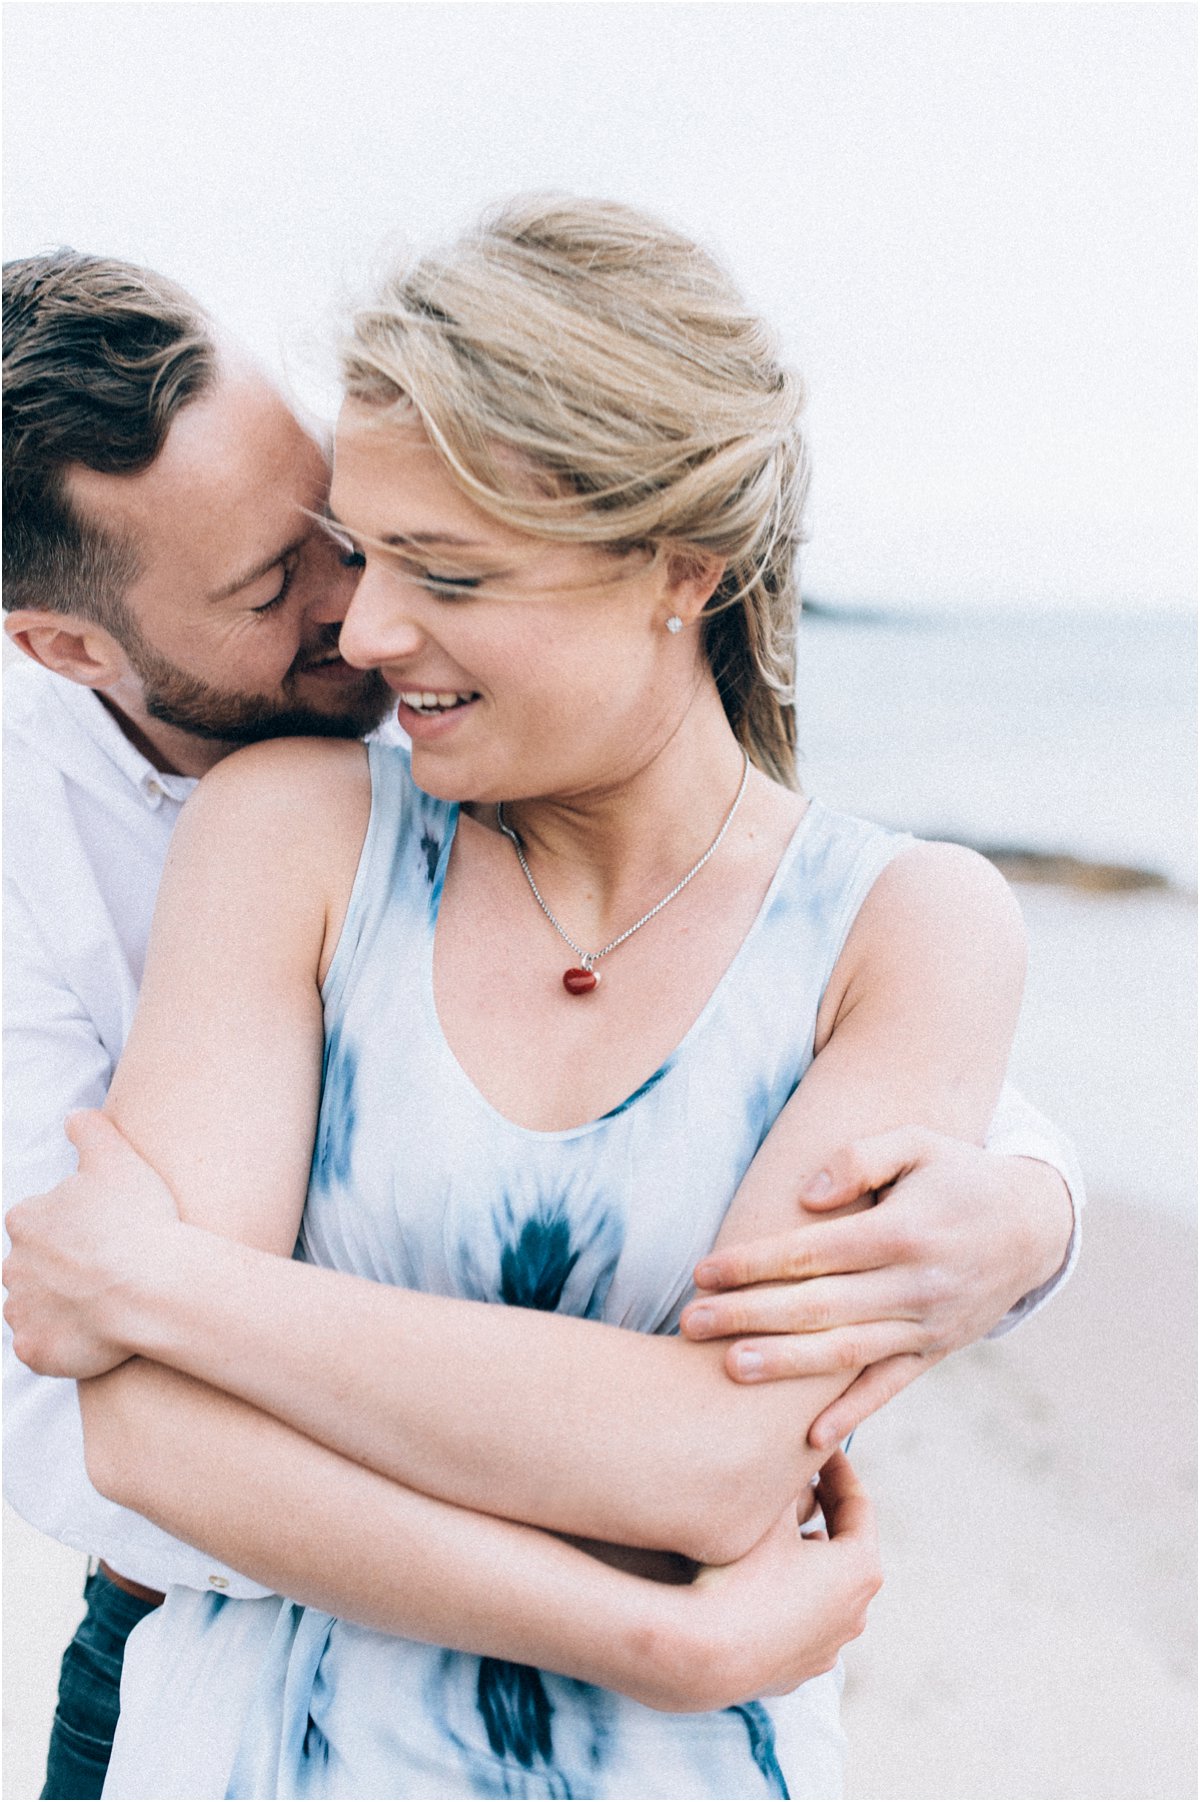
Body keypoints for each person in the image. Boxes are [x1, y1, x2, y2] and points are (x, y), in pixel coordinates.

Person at [2, 225, 1080, 1800]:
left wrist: (1038, 1209)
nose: (357, 622)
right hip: (224, 1699)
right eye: (280, 582)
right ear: (70, 645)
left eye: (398, 556)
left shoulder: (900, 916)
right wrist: (653, 1623)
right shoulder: (272, 825)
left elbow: (716, 1467)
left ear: (682, 568)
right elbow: (135, 1434)